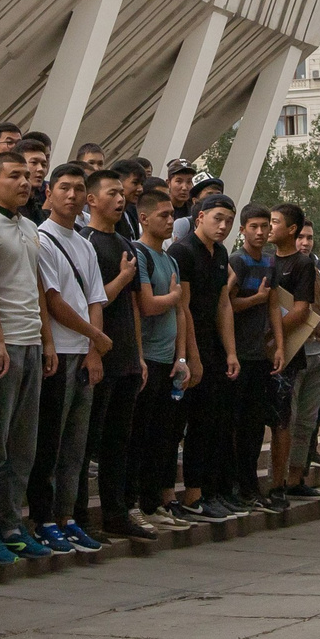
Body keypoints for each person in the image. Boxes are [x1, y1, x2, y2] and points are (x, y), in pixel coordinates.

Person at [0, 150, 50, 562]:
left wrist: (47, 340)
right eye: (14, 175)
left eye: (28, 176)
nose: (25, 182)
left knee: (23, 446)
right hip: (3, 345)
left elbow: (36, 285)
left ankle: (11, 523)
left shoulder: (31, 226)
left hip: (33, 342)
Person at [33, 163, 114, 552]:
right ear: (49, 192)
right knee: (50, 441)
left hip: (84, 354)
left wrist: (94, 348)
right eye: (64, 187)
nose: (71, 195)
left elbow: (96, 298)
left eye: (79, 189)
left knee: (76, 446)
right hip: (59, 351)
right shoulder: (42, 238)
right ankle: (44, 519)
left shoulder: (85, 243)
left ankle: (67, 518)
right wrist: (95, 335)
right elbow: (53, 301)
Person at [81, 168, 154, 538]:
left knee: (118, 441)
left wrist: (138, 355)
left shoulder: (127, 243)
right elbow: (90, 301)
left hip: (126, 354)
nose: (119, 198)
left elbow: (135, 306)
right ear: (91, 199)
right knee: (89, 440)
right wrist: (123, 278)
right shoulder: (85, 241)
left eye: (120, 193)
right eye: (110, 193)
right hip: (98, 353)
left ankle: (116, 512)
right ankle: (78, 517)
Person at [126, 188, 198, 529]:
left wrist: (182, 357)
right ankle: (133, 504)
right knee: (138, 436)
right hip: (148, 359)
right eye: (163, 216)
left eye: (172, 215)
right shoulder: (139, 253)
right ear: (143, 218)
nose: (171, 221)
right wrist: (172, 296)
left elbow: (181, 311)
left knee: (162, 437)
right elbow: (148, 305)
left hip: (169, 360)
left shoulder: (170, 258)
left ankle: (154, 504)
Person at [170, 192, 238, 522]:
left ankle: (201, 492)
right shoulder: (182, 251)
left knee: (209, 424)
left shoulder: (222, 253)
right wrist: (192, 357)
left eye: (228, 220)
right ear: (200, 218)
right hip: (184, 348)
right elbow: (183, 307)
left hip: (212, 349)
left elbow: (223, 304)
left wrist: (231, 351)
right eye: (217, 219)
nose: (223, 226)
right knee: (178, 425)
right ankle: (177, 496)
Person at [270, 203, 320, 500]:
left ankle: (294, 478)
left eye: (273, 222)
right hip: (281, 352)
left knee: (304, 420)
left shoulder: (308, 266)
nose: (267, 229)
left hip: (310, 352)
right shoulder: (267, 261)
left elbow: (309, 309)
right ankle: (277, 481)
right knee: (285, 419)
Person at [226, 203, 281, 510]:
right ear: (243, 229)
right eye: (254, 227)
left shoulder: (271, 263)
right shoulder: (238, 260)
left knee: (254, 425)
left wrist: (280, 345)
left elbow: (273, 305)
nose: (260, 232)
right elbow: (227, 303)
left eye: (264, 227)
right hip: (239, 355)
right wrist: (255, 299)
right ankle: (236, 486)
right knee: (236, 424)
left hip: (260, 355)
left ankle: (251, 487)